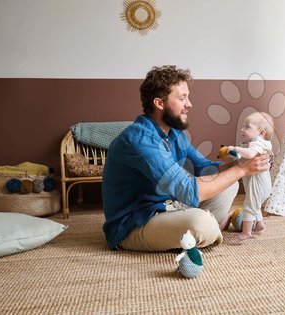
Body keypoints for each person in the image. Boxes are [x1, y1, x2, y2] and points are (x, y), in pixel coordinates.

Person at [102, 65, 270, 252]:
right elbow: (190, 191)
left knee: (230, 182)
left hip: (168, 207)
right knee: (202, 223)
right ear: (159, 103)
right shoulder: (141, 140)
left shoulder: (174, 133)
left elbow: (206, 168)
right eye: (182, 98)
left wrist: (241, 163)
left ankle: (205, 227)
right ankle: (210, 226)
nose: (189, 104)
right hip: (134, 223)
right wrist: (242, 170)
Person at [227, 112, 274, 241]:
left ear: (261, 133)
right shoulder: (258, 143)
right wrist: (235, 154)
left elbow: (249, 154)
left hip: (258, 185)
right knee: (255, 205)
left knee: (249, 206)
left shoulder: (258, 143)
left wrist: (235, 149)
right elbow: (245, 157)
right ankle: (259, 225)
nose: (243, 129)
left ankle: (246, 232)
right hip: (261, 185)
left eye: (247, 127)